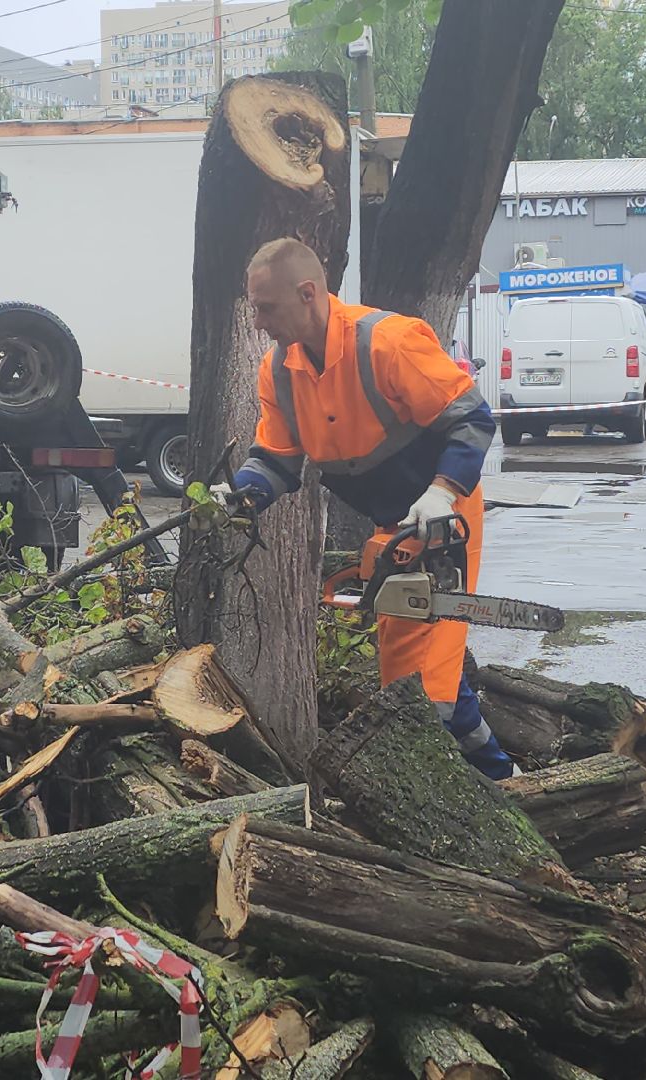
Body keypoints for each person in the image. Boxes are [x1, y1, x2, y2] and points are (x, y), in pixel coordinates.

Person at [217, 238, 513, 778]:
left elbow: (472, 419)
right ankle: (495, 777)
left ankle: (461, 785)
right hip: (391, 527)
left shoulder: (388, 343)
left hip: (443, 517)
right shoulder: (278, 372)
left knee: (426, 689)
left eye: (267, 308)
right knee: (405, 674)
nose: (259, 323)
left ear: (308, 293)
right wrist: (243, 495)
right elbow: (276, 459)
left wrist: (442, 491)